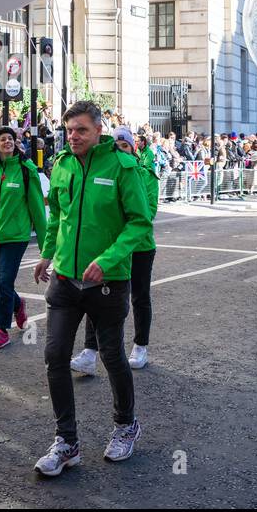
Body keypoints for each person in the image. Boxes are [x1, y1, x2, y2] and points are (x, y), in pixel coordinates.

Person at [32, 101, 151, 477]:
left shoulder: (122, 166)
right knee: (54, 356)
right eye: (69, 130)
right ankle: (66, 442)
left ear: (100, 130)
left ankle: (125, 425)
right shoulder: (63, 164)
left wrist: (109, 259)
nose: (74, 136)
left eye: (81, 130)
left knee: (112, 355)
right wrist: (47, 254)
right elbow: (58, 217)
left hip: (108, 282)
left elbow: (139, 223)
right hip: (65, 279)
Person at [71, 125, 160, 372]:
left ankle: (140, 346)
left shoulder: (144, 174)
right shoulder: (105, 170)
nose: (120, 149)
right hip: (109, 247)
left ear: (133, 148)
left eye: (125, 145)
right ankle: (90, 352)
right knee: (95, 296)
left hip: (139, 247)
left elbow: (146, 213)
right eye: (117, 145)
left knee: (140, 297)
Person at [0, 125, 45, 350]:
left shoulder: (26, 170)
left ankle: (2, 330)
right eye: (3, 139)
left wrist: (47, 248)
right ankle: (18, 303)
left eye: (10, 138)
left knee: (4, 282)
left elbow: (37, 209)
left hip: (16, 237)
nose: (8, 142)